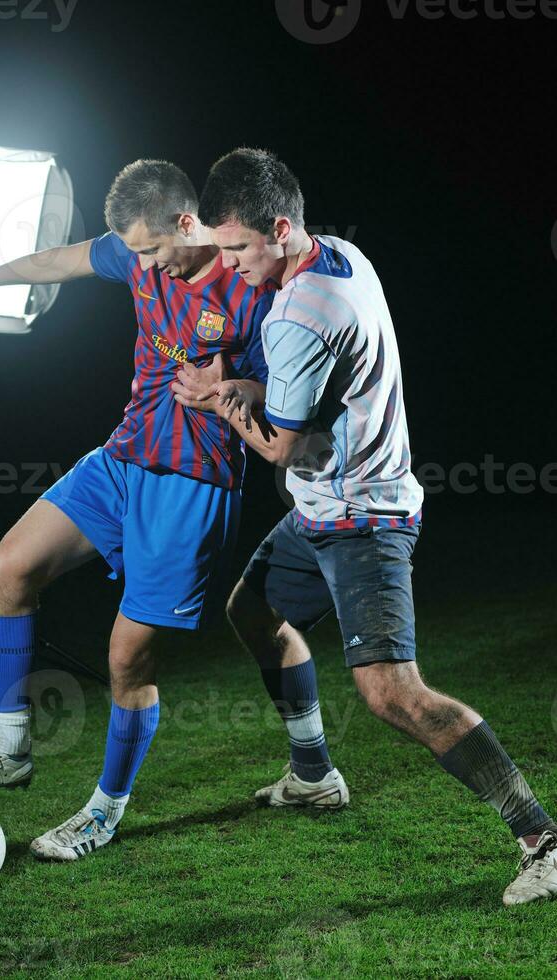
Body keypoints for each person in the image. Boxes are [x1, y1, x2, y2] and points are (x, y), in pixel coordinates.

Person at [173, 147, 557, 906]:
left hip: (363, 519)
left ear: (280, 229)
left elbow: (282, 443)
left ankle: (543, 837)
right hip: (321, 508)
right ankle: (314, 775)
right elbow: (314, 396)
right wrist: (250, 385)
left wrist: (212, 398)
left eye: (237, 248)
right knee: (251, 610)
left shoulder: (298, 315)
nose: (228, 265)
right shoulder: (342, 257)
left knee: (391, 693)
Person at [0, 159, 274, 862]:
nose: (143, 265)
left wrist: (236, 383)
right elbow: (62, 259)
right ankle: (10, 749)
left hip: (193, 485)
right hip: (120, 463)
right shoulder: (137, 253)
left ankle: (102, 811)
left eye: (151, 250)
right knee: (8, 569)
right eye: (133, 253)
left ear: (188, 223)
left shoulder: (250, 286)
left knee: (126, 659)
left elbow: (292, 396)